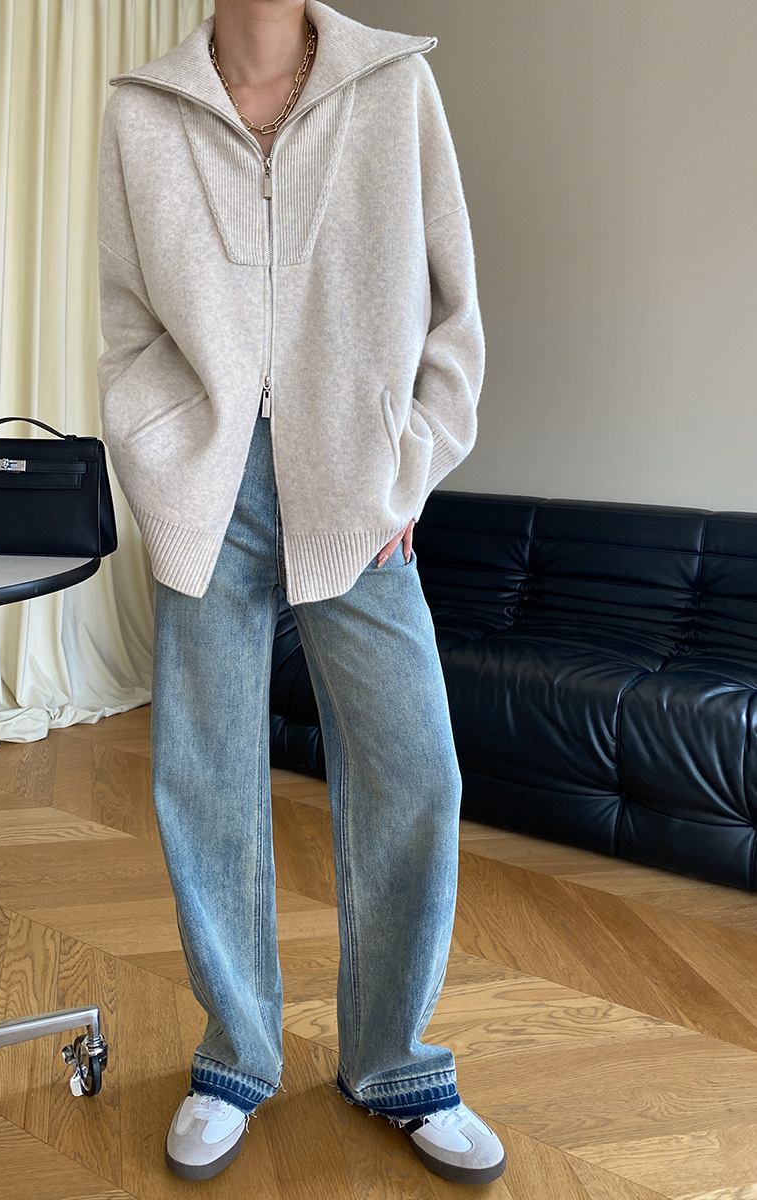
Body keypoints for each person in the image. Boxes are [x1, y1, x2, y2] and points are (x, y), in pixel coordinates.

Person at [96, 0, 505, 1186]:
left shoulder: (394, 87)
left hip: (355, 488)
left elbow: (454, 311)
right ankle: (236, 1055)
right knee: (204, 777)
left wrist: (406, 466)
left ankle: (394, 1062)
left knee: (415, 769)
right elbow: (126, 320)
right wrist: (157, 457)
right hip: (206, 487)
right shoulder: (143, 111)